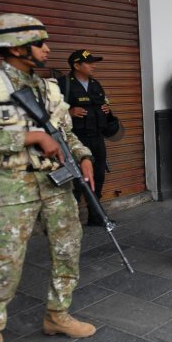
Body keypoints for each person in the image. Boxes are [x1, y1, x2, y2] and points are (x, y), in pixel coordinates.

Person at [0, 13, 97, 342]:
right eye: (40, 43)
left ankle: (57, 314)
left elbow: (66, 133)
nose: (47, 49)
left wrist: (83, 157)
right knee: (6, 264)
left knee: (68, 248)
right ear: (18, 47)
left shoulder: (51, 88)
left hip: (57, 183)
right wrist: (31, 138)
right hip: (10, 187)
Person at [57, 49, 111, 226]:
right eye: (89, 62)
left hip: (97, 138)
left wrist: (107, 109)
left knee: (98, 176)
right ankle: (71, 221)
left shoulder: (96, 84)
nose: (94, 65)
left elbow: (105, 104)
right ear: (76, 65)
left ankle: (95, 216)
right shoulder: (62, 84)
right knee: (76, 181)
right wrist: (69, 112)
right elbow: (52, 113)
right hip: (76, 141)